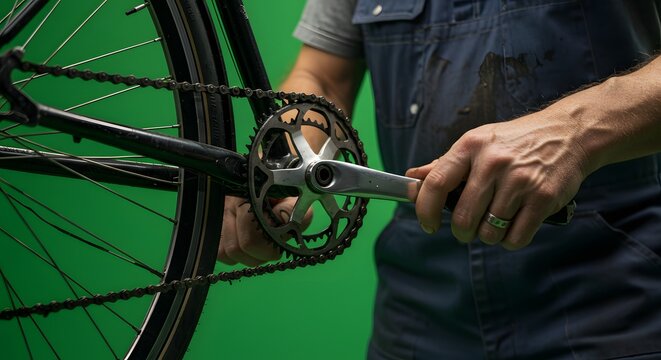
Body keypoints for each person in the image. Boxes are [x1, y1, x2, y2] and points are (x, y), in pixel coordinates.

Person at [218, 0, 661, 358]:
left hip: (612, 304)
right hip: (417, 314)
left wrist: (575, 131)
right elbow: (323, 77)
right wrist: (278, 171)